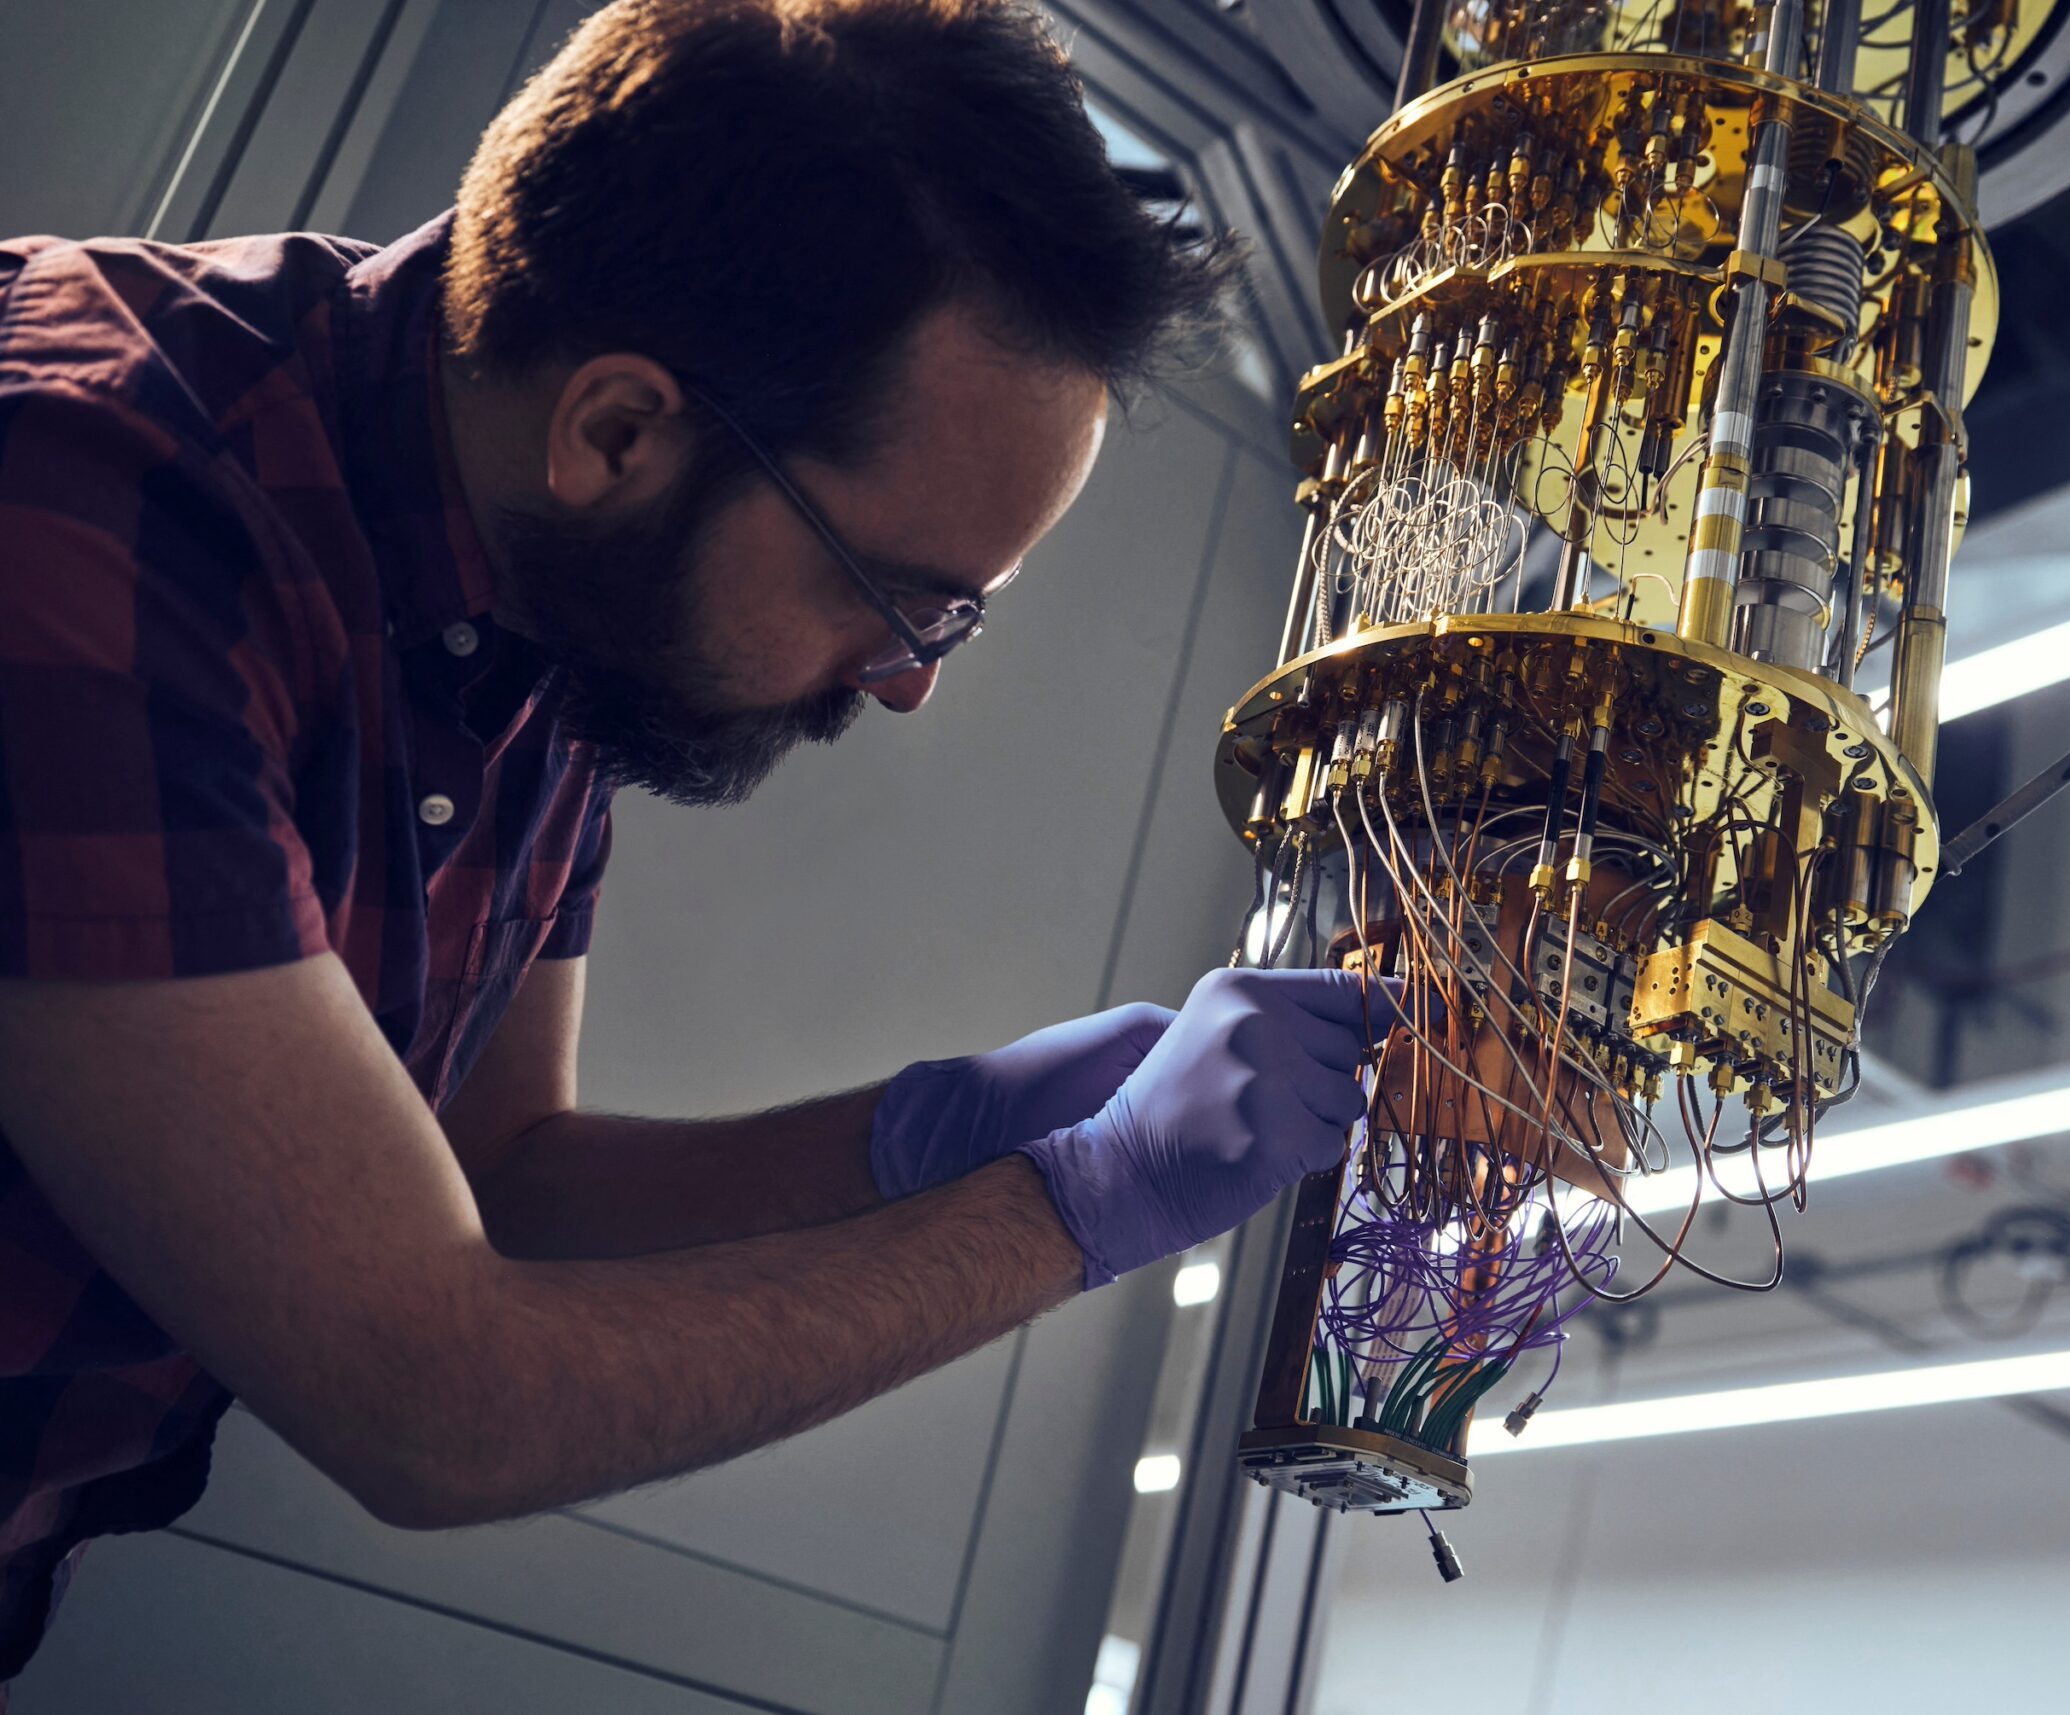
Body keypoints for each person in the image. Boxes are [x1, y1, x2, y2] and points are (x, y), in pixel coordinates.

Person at [0, 0, 1384, 1688]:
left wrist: (925, 1135)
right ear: (621, 433)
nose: (901, 688)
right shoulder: (80, 507)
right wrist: (1075, 1207)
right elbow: (429, 1403)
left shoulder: (537, 591)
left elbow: (504, 1179)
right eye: (902, 601)